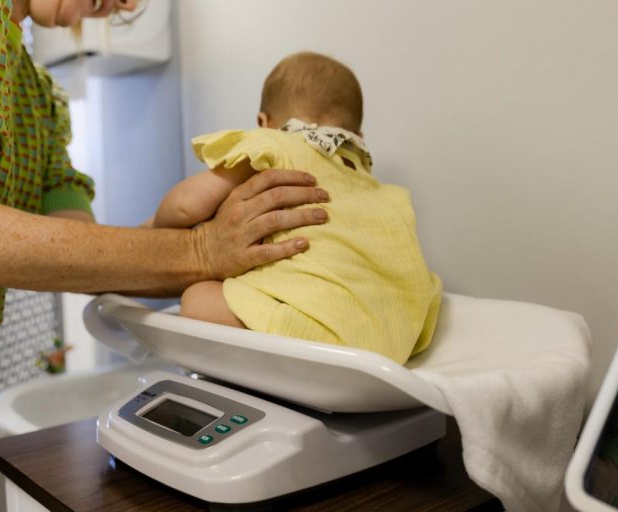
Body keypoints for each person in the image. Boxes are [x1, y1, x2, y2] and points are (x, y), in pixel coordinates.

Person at [0, 3, 330, 511]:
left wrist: (213, 237)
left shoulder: (36, 92)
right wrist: (200, 249)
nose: (129, 4)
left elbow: (81, 249)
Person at [153, 51, 442, 365]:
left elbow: (185, 205)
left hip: (313, 334)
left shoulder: (273, 145)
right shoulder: (385, 191)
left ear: (264, 123)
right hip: (394, 342)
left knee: (196, 298)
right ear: (357, 138)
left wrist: (156, 227)